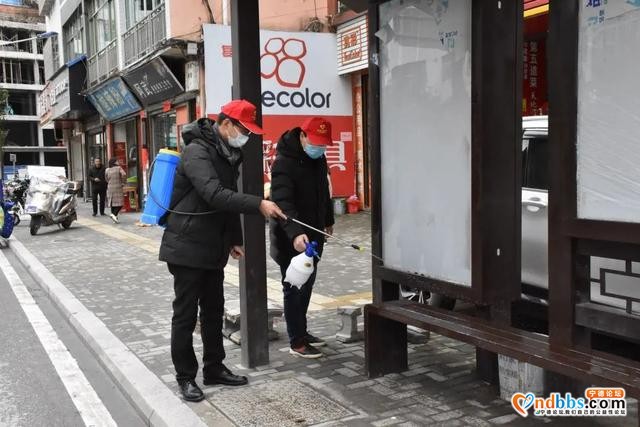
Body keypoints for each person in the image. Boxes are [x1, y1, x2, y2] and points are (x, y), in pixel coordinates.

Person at [159, 99, 285, 402]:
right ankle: (185, 377)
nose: (246, 136)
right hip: (186, 246)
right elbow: (214, 195)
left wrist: (233, 239)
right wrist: (258, 203)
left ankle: (214, 368)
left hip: (212, 245)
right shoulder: (197, 151)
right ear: (226, 124)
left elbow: (226, 203)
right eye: (244, 129)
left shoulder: (228, 153)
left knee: (213, 310)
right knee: (186, 315)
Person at [269, 117, 335, 359]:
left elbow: (323, 193)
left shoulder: (318, 159)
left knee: (307, 286)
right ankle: (296, 341)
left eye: (324, 144)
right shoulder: (284, 163)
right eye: (316, 142)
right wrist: (296, 233)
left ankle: (302, 331)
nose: (320, 148)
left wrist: (328, 220)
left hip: (314, 235)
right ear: (303, 136)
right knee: (294, 287)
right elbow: (283, 202)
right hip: (290, 238)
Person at [104, 158, 126, 224]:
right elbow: (124, 174)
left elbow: (106, 178)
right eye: (117, 161)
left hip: (110, 187)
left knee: (112, 203)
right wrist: (123, 182)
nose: (118, 162)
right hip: (118, 187)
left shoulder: (107, 170)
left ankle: (114, 217)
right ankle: (113, 214)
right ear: (114, 162)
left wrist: (110, 182)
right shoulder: (119, 168)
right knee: (120, 203)